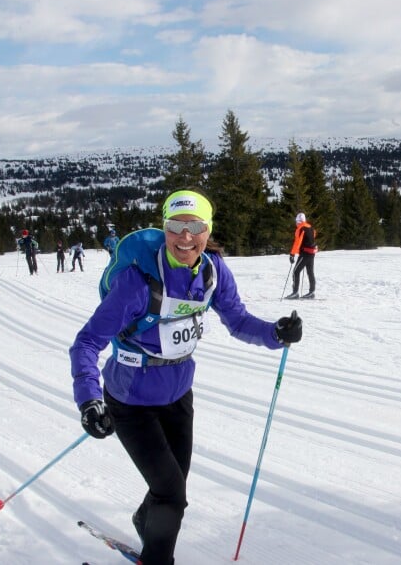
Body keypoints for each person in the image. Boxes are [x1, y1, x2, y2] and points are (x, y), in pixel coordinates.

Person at [69, 188, 303, 565]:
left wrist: (275, 333)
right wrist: (89, 399)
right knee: (172, 495)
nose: (185, 237)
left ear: (208, 231)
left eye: (195, 226)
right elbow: (87, 342)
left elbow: (238, 320)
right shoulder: (137, 282)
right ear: (164, 228)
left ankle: (144, 520)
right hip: (130, 402)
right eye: (176, 226)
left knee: (171, 485)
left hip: (179, 397)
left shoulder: (213, 271)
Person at [285, 212, 317, 299]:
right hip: (312, 252)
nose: (296, 223)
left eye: (296, 221)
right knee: (310, 272)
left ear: (299, 221)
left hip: (305, 253)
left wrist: (292, 254)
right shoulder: (310, 227)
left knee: (296, 271)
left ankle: (295, 293)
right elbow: (313, 236)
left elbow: (297, 242)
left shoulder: (300, 228)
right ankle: (312, 292)